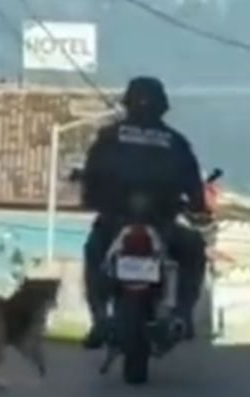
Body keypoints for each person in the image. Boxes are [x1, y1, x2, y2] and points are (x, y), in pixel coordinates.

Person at [80, 77, 209, 349]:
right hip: (162, 225)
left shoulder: (109, 137)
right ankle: (182, 315)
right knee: (193, 249)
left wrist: (90, 197)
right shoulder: (176, 143)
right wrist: (198, 207)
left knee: (94, 252)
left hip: (114, 223)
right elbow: (194, 186)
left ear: (126, 104)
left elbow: (90, 177)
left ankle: (99, 318)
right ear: (163, 108)